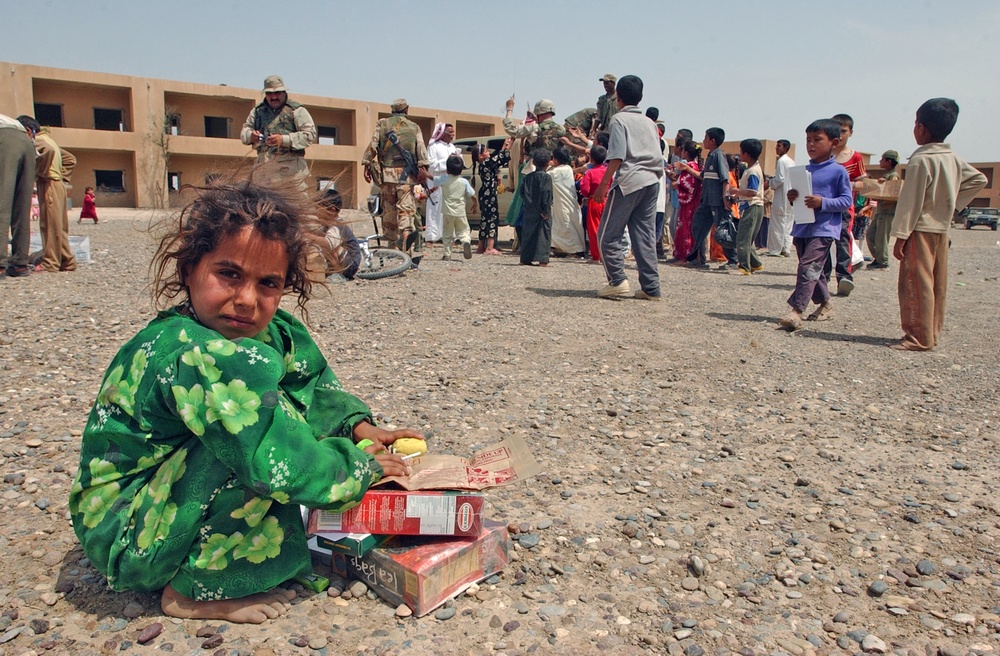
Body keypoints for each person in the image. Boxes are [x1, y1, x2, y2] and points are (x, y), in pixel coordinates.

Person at [69, 175, 420, 625]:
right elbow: (273, 460)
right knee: (254, 445)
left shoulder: (268, 331)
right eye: (229, 274)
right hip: (125, 530)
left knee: (275, 413)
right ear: (188, 270)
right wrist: (357, 468)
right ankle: (191, 591)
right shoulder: (198, 353)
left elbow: (309, 381)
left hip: (152, 509)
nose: (247, 300)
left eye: (268, 284)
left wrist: (356, 428)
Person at [890, 98, 987, 352]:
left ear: (921, 128)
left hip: (920, 228)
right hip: (942, 229)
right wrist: (953, 205)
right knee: (936, 283)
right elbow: (979, 180)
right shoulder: (952, 157)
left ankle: (918, 338)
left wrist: (900, 235)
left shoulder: (921, 160)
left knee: (916, 282)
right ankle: (931, 333)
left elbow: (911, 202)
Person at [592, 74, 663, 300]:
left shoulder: (618, 120)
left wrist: (604, 185)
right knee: (644, 235)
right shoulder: (650, 123)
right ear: (640, 97)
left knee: (606, 234)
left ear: (618, 98)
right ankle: (651, 288)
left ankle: (617, 280)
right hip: (652, 181)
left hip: (630, 181)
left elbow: (617, 156)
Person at [779, 119, 852, 330]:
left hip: (824, 228)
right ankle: (826, 304)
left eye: (817, 140)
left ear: (834, 142)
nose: (811, 144)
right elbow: (800, 199)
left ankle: (796, 310)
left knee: (808, 266)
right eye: (808, 140)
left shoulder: (838, 172)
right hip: (803, 226)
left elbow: (846, 201)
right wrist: (794, 197)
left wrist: (823, 202)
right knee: (814, 269)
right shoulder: (803, 171)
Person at [361, 98, 430, 263]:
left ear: (392, 110)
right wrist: (423, 170)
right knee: (406, 211)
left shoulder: (382, 124)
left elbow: (373, 145)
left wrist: (366, 164)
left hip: (387, 176)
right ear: (406, 110)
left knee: (389, 212)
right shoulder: (414, 127)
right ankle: (406, 245)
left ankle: (392, 249)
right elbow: (420, 149)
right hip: (406, 178)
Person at [23, 117, 78, 272]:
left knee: (49, 225)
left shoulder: (38, 141)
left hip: (49, 184)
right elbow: (70, 159)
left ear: (28, 131)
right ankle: (67, 260)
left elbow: (49, 151)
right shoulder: (48, 138)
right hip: (57, 184)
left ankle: (51, 262)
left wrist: (42, 171)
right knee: (59, 226)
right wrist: (62, 176)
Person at [240, 76, 316, 186]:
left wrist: (283, 139)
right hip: (263, 175)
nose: (274, 97)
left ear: (284, 93)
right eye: (269, 93)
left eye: (277, 93)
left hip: (290, 176)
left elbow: (310, 135)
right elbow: (244, 132)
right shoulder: (257, 111)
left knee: (297, 204)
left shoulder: (296, 110)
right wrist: (251, 136)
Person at [677, 127, 730, 268]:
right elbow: (702, 176)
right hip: (706, 200)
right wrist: (687, 168)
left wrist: (725, 197)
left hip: (716, 201)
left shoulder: (718, 156)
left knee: (722, 229)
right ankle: (699, 259)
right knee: (698, 226)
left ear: (712, 141)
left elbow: (725, 179)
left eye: (706, 138)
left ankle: (733, 260)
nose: (703, 141)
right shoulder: (711, 156)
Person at [831, 113, 866, 297]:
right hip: (824, 205)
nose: (840, 134)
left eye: (844, 131)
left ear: (850, 132)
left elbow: (862, 183)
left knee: (843, 240)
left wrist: (846, 184)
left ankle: (844, 278)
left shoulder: (855, 158)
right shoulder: (825, 154)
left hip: (844, 206)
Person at [0, 113, 36, 278]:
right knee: (22, 207)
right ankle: (20, 263)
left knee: (2, 204)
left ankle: (0, 264)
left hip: (4, 139)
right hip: (26, 143)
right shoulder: (13, 122)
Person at [431, 154, 478, 260]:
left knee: (447, 233)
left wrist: (425, 174)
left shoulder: (444, 179)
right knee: (463, 230)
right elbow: (473, 196)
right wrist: (475, 205)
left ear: (447, 170)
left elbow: (434, 179)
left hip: (447, 212)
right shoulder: (464, 182)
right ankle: (465, 241)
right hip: (460, 212)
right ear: (461, 170)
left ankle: (447, 254)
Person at [730, 139, 765, 275]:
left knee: (743, 237)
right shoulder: (752, 169)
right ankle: (755, 263)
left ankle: (744, 266)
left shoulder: (752, 172)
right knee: (748, 237)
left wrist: (736, 191)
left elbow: (752, 192)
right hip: (751, 205)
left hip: (753, 206)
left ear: (746, 154)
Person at [865, 149, 901, 270]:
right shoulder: (886, 175)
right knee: (870, 235)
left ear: (889, 161)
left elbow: (892, 194)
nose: (880, 161)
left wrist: (884, 185)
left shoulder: (893, 177)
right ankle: (878, 258)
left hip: (887, 212)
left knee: (881, 238)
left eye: (882, 159)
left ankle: (883, 262)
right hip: (881, 212)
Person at [475, 138, 511, 255]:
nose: (488, 152)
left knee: (484, 219)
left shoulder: (482, 165)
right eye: (486, 151)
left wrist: (503, 148)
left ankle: (481, 246)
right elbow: (500, 158)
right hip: (490, 194)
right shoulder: (486, 163)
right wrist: (507, 147)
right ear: (481, 156)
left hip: (484, 194)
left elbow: (495, 161)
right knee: (492, 218)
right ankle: (490, 247)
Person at [425, 123, 459, 243]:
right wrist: (448, 161)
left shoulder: (452, 147)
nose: (452, 135)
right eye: (450, 133)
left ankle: (449, 236)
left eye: (453, 133)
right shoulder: (433, 147)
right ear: (442, 134)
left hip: (449, 182)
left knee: (449, 209)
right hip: (436, 182)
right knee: (434, 209)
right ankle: (432, 237)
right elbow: (431, 165)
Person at [548, 146, 586, 256]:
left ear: (555, 159)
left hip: (562, 204)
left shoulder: (555, 172)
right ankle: (561, 248)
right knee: (568, 225)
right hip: (570, 202)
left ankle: (575, 250)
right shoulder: (568, 168)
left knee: (566, 226)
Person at [519, 149, 553, 267]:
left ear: (533, 162)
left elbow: (522, 192)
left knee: (528, 233)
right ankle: (543, 259)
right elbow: (546, 193)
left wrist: (528, 203)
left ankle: (525, 258)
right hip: (542, 210)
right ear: (548, 163)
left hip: (529, 209)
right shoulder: (546, 177)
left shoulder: (527, 177)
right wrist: (545, 209)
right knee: (543, 233)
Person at [320, 189, 361, 281]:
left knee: (330, 246)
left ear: (332, 210)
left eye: (319, 209)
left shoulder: (337, 225)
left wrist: (310, 237)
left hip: (350, 265)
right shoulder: (327, 225)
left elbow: (328, 243)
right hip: (346, 261)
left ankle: (337, 273)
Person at [671, 139, 702, 262]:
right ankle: (683, 254)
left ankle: (685, 256)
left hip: (689, 203)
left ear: (686, 152)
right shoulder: (696, 166)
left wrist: (677, 184)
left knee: (685, 229)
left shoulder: (689, 167)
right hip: (693, 202)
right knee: (685, 227)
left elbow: (687, 184)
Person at [579, 145, 608, 262]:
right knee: (607, 228)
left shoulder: (590, 173)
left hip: (594, 200)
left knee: (594, 229)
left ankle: (596, 255)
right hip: (607, 200)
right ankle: (607, 254)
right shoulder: (607, 171)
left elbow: (585, 189)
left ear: (592, 159)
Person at [766, 139, 795, 256]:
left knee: (778, 222)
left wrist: (770, 182)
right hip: (791, 196)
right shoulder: (791, 161)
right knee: (788, 222)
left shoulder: (781, 161)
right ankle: (786, 247)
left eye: (779, 146)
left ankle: (775, 249)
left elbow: (780, 179)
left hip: (782, 195)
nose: (776, 149)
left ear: (785, 148)